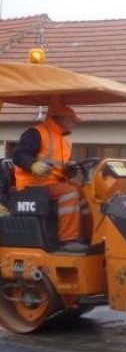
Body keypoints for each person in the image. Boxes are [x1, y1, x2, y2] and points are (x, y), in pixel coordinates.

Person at [13, 103, 89, 252]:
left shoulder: (63, 141)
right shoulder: (36, 133)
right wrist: (33, 165)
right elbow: (19, 155)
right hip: (32, 185)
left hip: (51, 184)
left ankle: (86, 236)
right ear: (60, 119)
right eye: (72, 121)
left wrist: (68, 168)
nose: (74, 125)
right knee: (69, 193)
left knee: (83, 192)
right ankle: (68, 240)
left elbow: (57, 167)